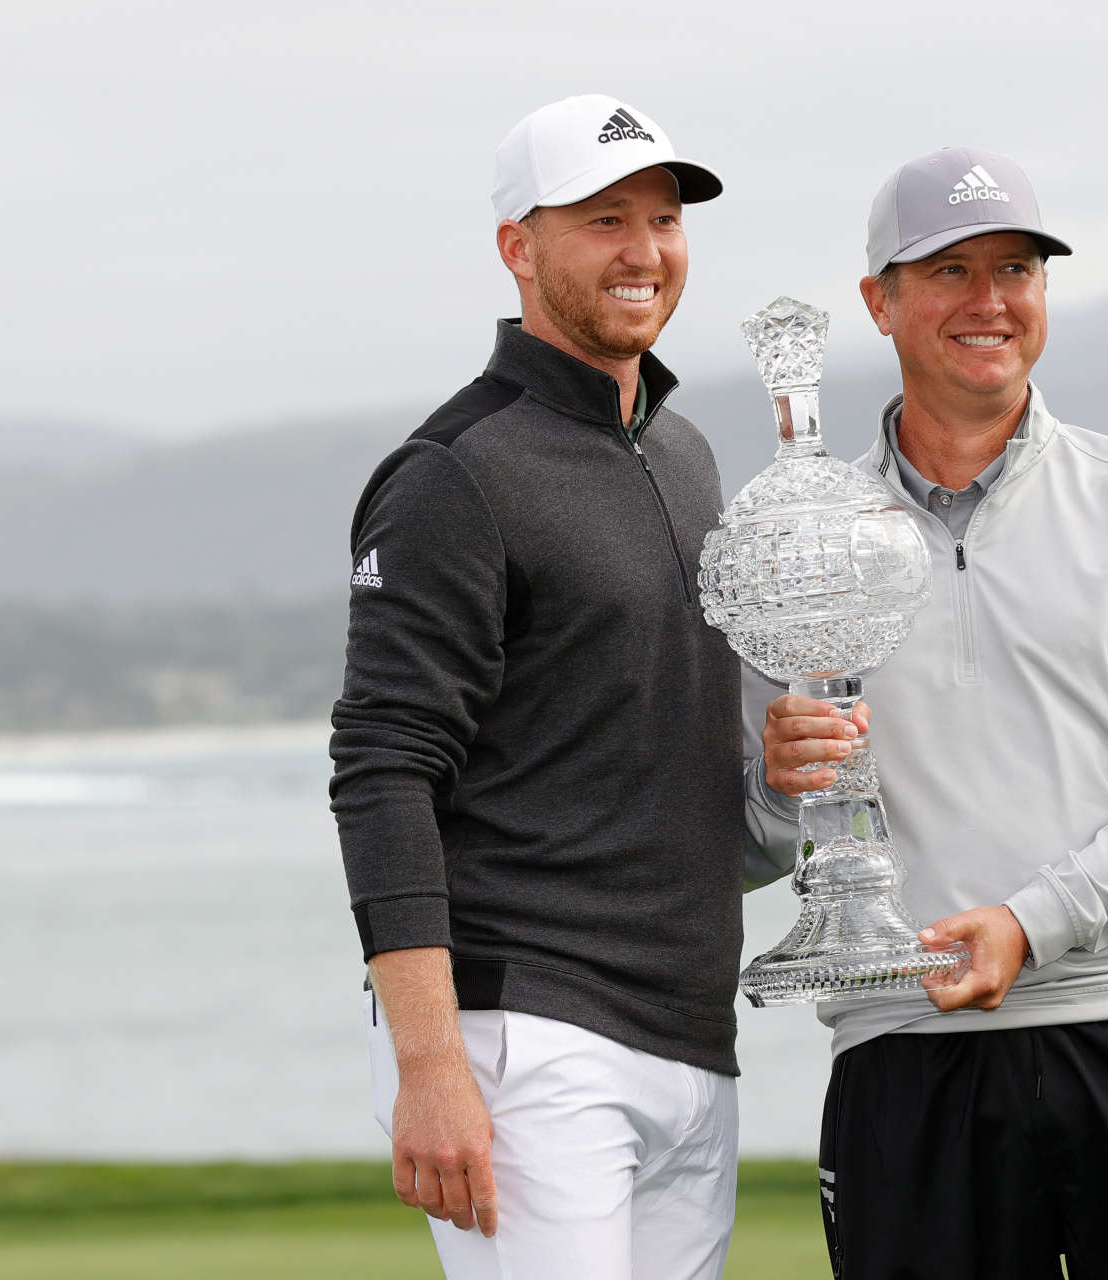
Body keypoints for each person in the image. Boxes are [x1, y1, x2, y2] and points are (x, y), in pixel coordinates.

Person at [750, 147, 1108, 1278]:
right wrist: (774, 779)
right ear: (879, 303)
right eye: (948, 270)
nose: (989, 300)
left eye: (1017, 268)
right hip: (907, 1045)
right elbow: (758, 836)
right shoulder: (798, 547)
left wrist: (1037, 918)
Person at [328, 95, 820, 1280]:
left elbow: (641, 735)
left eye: (663, 219)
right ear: (518, 245)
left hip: (693, 1033)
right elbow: (383, 766)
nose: (645, 250)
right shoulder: (453, 472)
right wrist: (431, 1067)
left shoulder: (688, 451)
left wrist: (773, 772)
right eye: (604, 219)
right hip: (532, 1037)